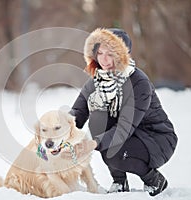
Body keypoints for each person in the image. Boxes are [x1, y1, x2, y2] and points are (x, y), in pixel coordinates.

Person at [61, 28, 178, 196]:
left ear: (123, 54)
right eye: (100, 53)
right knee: (99, 120)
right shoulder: (97, 80)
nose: (104, 60)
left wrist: (91, 144)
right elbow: (77, 113)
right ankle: (120, 182)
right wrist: (57, 136)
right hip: (129, 137)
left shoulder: (138, 82)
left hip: (156, 139)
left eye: (110, 54)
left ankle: (154, 180)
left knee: (110, 150)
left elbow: (124, 128)